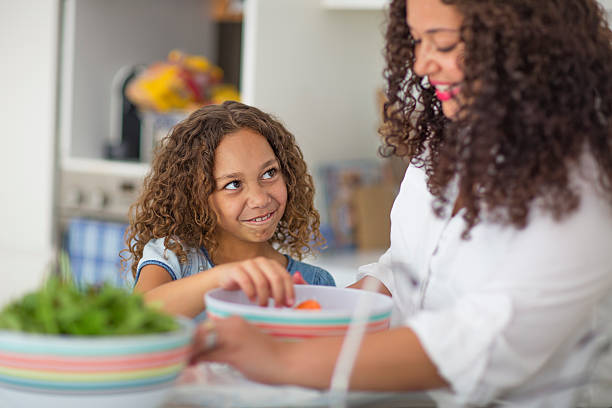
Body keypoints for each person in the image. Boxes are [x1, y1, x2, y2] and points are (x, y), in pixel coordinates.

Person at [189, 0, 612, 407]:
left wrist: (283, 360)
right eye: (416, 41)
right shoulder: (444, 143)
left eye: (442, 43)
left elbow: (490, 341)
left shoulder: (586, 180)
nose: (422, 64)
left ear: (523, 43)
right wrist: (315, 315)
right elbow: (407, 270)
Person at [123, 101, 335, 320]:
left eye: (269, 173)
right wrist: (222, 276)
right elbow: (137, 315)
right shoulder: (174, 257)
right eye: (234, 184)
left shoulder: (315, 282)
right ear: (196, 197)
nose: (260, 199)